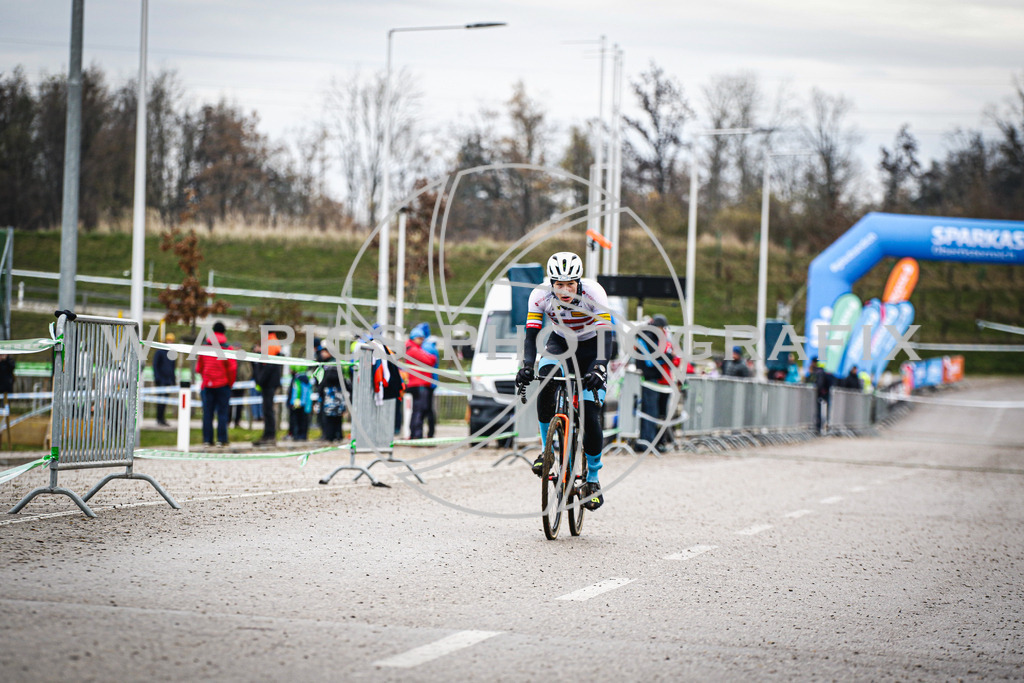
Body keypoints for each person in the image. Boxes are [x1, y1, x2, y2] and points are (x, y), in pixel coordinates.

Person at [515, 251, 613, 511]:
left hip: (593, 348)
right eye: (559, 284)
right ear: (552, 284)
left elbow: (606, 336)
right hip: (560, 343)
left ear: (578, 281)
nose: (565, 290)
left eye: (570, 284)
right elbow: (531, 336)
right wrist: (526, 366)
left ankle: (592, 478)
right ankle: (547, 452)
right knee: (545, 382)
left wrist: (601, 367)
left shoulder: (594, 293)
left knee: (591, 413)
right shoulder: (540, 296)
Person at [635, 314, 681, 453]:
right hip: (650, 378)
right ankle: (647, 442)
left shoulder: (650, 335)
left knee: (654, 412)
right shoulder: (647, 336)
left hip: (654, 378)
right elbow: (653, 359)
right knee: (650, 412)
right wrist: (669, 357)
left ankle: (653, 441)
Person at [195, 321, 237, 447]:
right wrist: (230, 383)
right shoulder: (227, 348)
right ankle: (221, 439)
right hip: (223, 385)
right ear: (224, 332)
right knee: (222, 414)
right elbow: (232, 368)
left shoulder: (204, 347)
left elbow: (198, 368)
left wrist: (206, 377)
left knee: (207, 414)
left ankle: (207, 440)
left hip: (207, 385)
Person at [405, 324, 439, 440]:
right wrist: (431, 357)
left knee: (418, 410)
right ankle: (416, 434)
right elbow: (430, 360)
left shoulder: (413, 348)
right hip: (419, 384)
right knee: (419, 410)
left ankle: (415, 433)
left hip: (420, 383)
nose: (421, 341)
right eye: (419, 338)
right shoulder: (413, 349)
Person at [252, 321, 283, 446]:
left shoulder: (270, 343)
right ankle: (268, 434)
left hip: (269, 382)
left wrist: (260, 379)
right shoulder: (272, 341)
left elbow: (268, 365)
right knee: (268, 409)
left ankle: (269, 435)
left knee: (268, 410)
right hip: (271, 381)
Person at [316, 342, 345, 442]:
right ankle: (328, 435)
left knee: (335, 416)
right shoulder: (324, 364)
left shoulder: (334, 364)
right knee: (327, 416)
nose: (322, 354)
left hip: (334, 394)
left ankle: (335, 435)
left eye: (325, 351)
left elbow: (336, 378)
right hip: (326, 394)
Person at [152, 332, 177, 426]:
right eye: (169, 340)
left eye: (171, 341)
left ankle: (162, 418)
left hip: (168, 381)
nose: (170, 342)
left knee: (165, 401)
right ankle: (159, 418)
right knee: (160, 401)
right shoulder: (159, 352)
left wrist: (173, 380)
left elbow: (172, 367)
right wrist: (157, 378)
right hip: (161, 380)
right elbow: (155, 366)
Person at [805, 356, 834, 434]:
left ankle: (818, 427)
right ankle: (821, 426)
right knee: (821, 411)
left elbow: (816, 383)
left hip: (819, 394)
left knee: (818, 411)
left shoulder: (816, 372)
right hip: (822, 393)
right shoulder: (820, 371)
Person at [287, 366, 313, 441]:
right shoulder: (298, 378)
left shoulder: (301, 379)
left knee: (300, 420)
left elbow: (302, 391)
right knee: (297, 420)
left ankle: (301, 435)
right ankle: (297, 435)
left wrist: (298, 401)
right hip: (297, 403)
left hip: (299, 404)